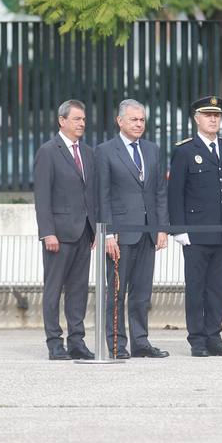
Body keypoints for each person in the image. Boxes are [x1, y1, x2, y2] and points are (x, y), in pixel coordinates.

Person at [168, 95, 222, 357]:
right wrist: (179, 229)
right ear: (196, 119)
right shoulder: (185, 150)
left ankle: (214, 336)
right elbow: (175, 193)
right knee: (196, 288)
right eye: (207, 115)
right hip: (197, 233)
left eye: (217, 115)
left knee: (217, 288)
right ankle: (197, 339)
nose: (213, 119)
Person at [97, 99, 170, 359]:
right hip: (120, 235)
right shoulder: (105, 151)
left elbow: (160, 191)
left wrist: (162, 228)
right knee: (116, 293)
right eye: (134, 120)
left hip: (148, 232)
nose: (139, 124)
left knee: (141, 294)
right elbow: (102, 195)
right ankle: (117, 345)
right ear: (120, 121)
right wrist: (106, 233)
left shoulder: (152, 149)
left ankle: (141, 342)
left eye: (142, 120)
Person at [32, 99, 99, 360]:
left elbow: (90, 193)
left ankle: (77, 341)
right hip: (58, 234)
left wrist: (94, 229)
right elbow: (43, 196)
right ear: (62, 121)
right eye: (76, 119)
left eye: (83, 119)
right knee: (54, 289)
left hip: (84, 233)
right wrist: (47, 232)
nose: (81, 123)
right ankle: (54, 342)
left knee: (79, 289)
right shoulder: (48, 151)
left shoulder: (88, 153)